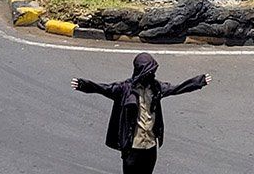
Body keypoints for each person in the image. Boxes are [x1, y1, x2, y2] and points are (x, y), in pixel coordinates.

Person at [71, 53, 211, 174]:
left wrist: (199, 81)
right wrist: (83, 85)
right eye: (148, 72)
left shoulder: (156, 87)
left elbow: (177, 88)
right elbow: (103, 88)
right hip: (132, 148)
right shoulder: (125, 89)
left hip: (150, 147)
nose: (152, 75)